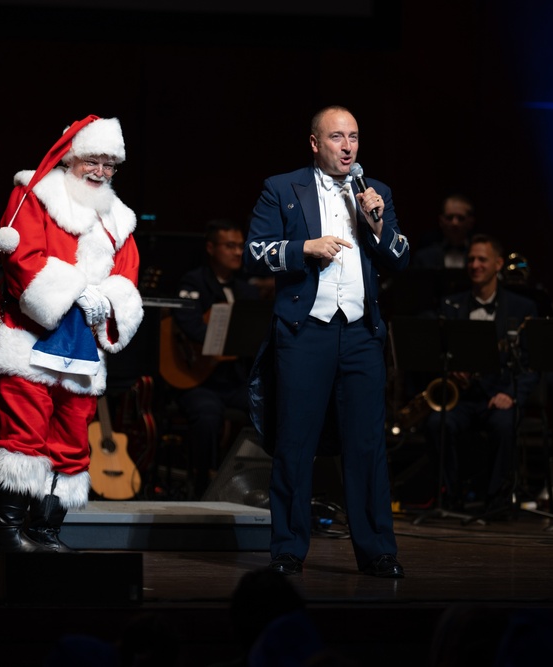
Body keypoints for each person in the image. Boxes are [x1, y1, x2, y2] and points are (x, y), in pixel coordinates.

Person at [0, 115, 144, 559]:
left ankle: (45, 531)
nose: (101, 172)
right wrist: (75, 289)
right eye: (94, 161)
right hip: (29, 340)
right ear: (72, 157)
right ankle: (7, 533)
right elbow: (23, 257)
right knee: (23, 431)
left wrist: (107, 299)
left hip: (82, 347)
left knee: (71, 441)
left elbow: (128, 273)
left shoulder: (118, 218)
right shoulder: (36, 194)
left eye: (110, 165)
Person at [243, 105, 409, 578]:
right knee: (296, 443)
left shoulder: (376, 193)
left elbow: (399, 259)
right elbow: (255, 254)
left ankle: (378, 550)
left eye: (354, 136)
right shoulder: (282, 188)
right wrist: (303, 249)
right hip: (305, 332)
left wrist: (375, 222)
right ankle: (288, 551)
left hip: (360, 334)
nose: (348, 145)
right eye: (337, 137)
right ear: (316, 143)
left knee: (366, 445)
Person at [423, 233, 539, 510]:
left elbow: (530, 363)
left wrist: (511, 395)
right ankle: (449, 498)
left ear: (498, 264)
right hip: (461, 399)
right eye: (471, 259)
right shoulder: (451, 305)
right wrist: (450, 371)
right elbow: (437, 353)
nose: (474, 265)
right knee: (437, 424)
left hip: (498, 397)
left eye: (482, 260)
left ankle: (496, 501)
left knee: (503, 424)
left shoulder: (523, 308)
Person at [172, 218, 261, 497]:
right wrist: (228, 340)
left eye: (240, 246)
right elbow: (189, 324)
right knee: (207, 414)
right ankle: (204, 484)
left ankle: (254, 481)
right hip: (198, 380)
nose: (237, 252)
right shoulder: (193, 282)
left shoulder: (247, 290)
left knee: (269, 407)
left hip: (235, 380)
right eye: (230, 246)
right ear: (211, 248)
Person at [410, 193, 475, 270]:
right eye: (449, 218)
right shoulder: (424, 257)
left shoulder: (479, 256)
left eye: (461, 218)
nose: (455, 223)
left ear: (470, 222)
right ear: (441, 221)